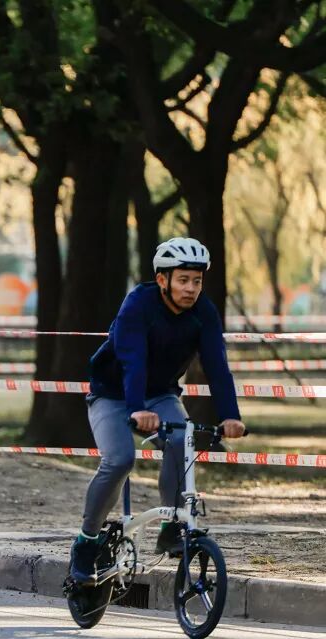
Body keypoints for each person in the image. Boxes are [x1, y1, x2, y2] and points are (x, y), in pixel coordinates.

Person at [69, 237, 246, 584]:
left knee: (182, 442)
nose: (191, 288)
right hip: (112, 394)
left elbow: (217, 366)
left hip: (161, 394)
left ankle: (171, 527)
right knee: (120, 460)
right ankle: (86, 541)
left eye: (197, 281)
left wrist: (230, 415)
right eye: (183, 280)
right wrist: (136, 409)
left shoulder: (203, 312)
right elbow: (132, 361)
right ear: (162, 279)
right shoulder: (139, 304)